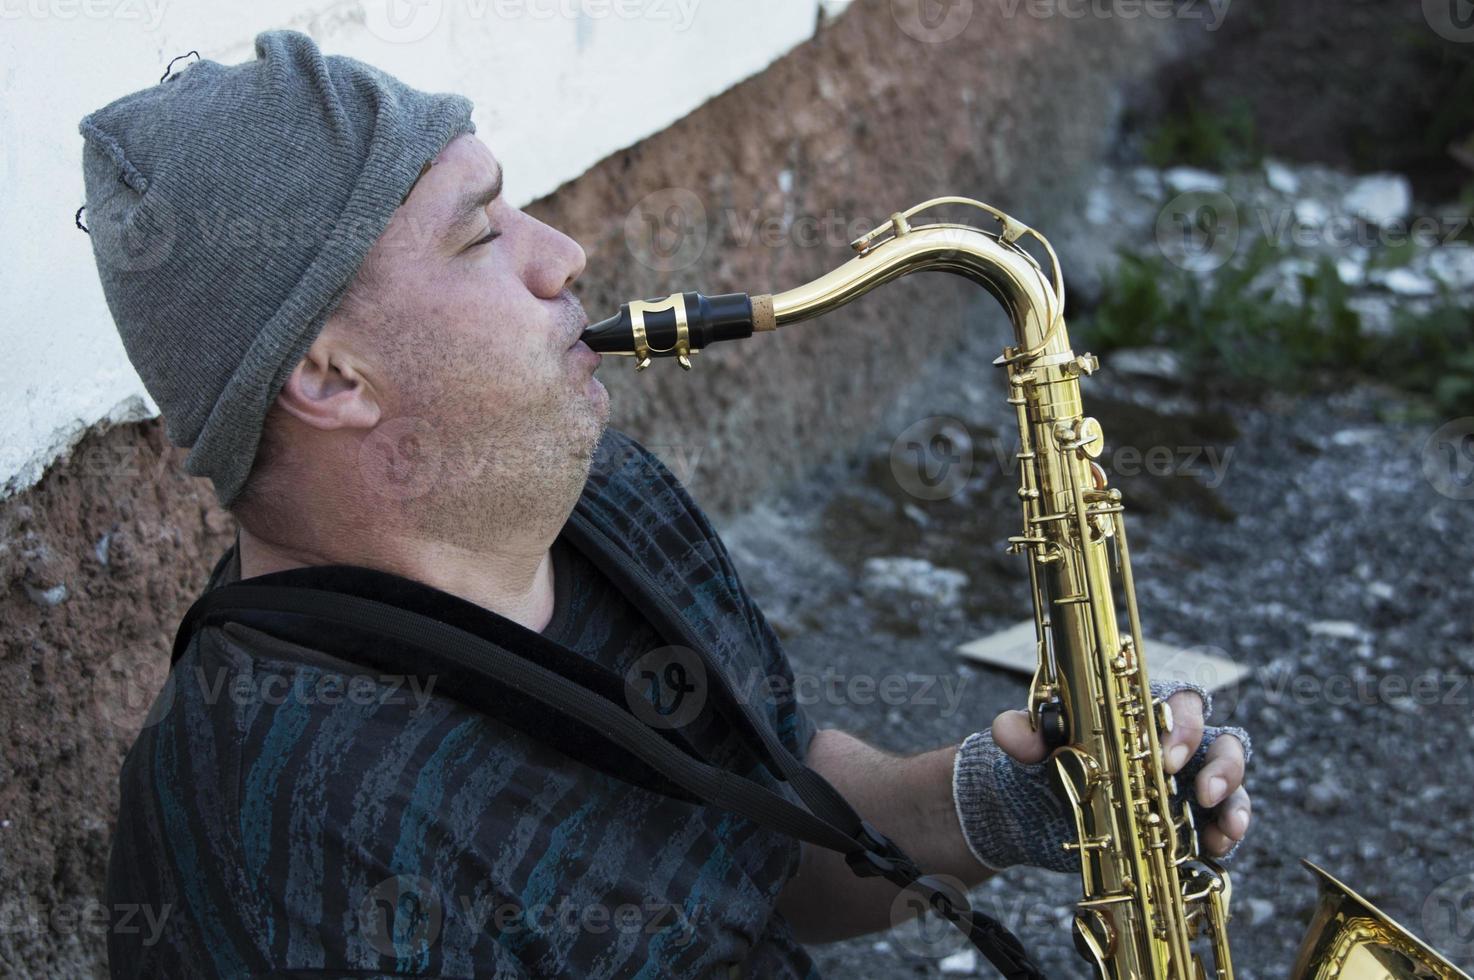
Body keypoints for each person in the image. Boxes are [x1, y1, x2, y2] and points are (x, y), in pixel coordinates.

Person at [81, 30, 1252, 978]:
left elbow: (764, 836)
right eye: (482, 232)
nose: (564, 252)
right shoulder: (280, 829)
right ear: (331, 375)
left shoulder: (601, 496)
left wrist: (1002, 806)